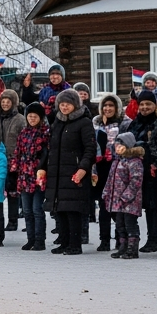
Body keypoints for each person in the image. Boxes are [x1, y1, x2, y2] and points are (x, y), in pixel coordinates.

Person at [37, 88, 96, 255]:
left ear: (75, 105)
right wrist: (42, 167)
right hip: (56, 173)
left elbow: (90, 149)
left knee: (73, 209)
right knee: (60, 209)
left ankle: (75, 244)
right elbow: (50, 148)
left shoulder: (84, 123)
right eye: (62, 104)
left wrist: (83, 168)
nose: (64, 107)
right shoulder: (57, 122)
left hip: (74, 172)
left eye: (68, 104)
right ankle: (64, 242)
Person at [120, 89, 157, 253]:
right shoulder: (135, 123)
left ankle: (154, 239)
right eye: (142, 104)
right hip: (135, 171)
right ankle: (132, 239)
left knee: (153, 206)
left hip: (153, 168)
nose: (144, 107)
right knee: (138, 204)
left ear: (154, 105)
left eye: (148, 104)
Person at [13, 103, 50, 251]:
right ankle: (31, 239)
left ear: (40, 117)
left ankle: (40, 240)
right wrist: (14, 169)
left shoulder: (45, 133)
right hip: (24, 175)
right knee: (27, 210)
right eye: (30, 116)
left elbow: (47, 154)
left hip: (39, 175)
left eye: (35, 116)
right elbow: (18, 152)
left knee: (37, 209)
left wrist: (42, 168)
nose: (32, 118)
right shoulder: (24, 132)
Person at [102, 131, 144, 260]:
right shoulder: (116, 161)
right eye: (116, 146)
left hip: (130, 201)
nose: (117, 148)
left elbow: (136, 180)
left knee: (130, 223)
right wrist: (106, 192)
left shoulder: (134, 162)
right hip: (117, 200)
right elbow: (110, 179)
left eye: (120, 146)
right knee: (119, 224)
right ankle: (123, 246)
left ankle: (132, 248)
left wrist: (127, 195)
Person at [93, 93, 124, 252]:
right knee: (103, 204)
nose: (107, 108)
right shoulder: (96, 123)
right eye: (105, 105)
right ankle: (104, 240)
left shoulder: (124, 123)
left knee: (116, 205)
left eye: (111, 105)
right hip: (100, 167)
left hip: (117, 167)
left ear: (117, 108)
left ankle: (120, 238)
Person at [0, 89, 25, 232]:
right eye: (3, 101)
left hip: (13, 159)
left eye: (8, 101)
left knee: (13, 192)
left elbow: (23, 139)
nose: (5, 104)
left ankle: (13, 220)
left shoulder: (20, 119)